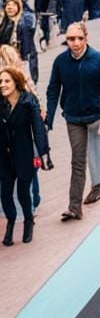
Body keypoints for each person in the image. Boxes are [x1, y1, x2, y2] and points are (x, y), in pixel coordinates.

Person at [45, 22, 100, 221]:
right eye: (70, 39)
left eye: (79, 38)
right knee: (78, 160)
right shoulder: (60, 62)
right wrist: (48, 120)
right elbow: (53, 90)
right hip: (73, 118)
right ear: (66, 40)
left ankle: (98, 184)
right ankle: (74, 207)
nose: (75, 43)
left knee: (96, 152)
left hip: (96, 116)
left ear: (86, 38)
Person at [0, 66, 50, 245]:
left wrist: (44, 153)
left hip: (24, 154)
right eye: (0, 82)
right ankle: (11, 222)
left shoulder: (28, 102)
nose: (3, 85)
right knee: (5, 193)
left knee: (22, 192)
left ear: (16, 82)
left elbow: (38, 129)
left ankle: (28, 220)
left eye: (7, 81)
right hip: (4, 156)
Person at [0, 0, 38, 84]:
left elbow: (27, 44)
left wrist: (25, 60)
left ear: (19, 7)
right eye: (8, 5)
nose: (10, 7)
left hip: (20, 59)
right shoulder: (4, 23)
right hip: (7, 59)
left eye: (13, 5)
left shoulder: (24, 23)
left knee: (24, 83)